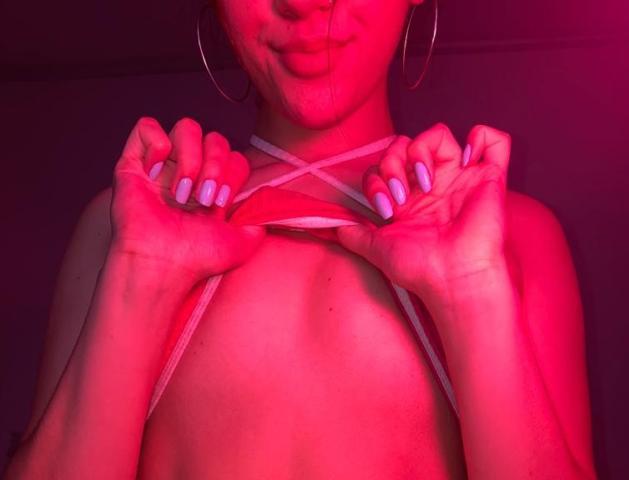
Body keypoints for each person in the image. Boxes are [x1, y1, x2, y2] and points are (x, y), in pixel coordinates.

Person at [4, 0, 596, 478]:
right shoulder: (126, 224)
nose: (302, 5)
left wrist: (470, 290)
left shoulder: (508, 237)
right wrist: (139, 274)